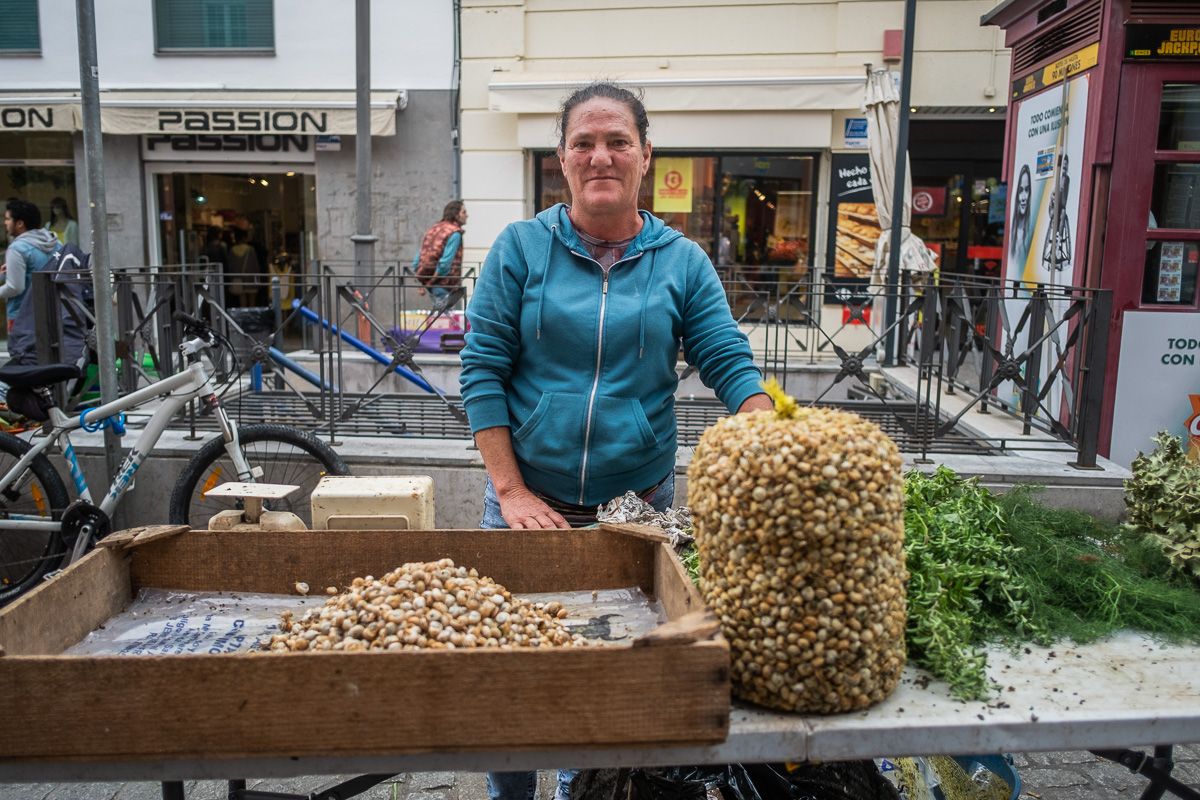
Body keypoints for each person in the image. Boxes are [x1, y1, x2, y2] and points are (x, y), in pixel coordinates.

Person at [458, 82, 772, 800]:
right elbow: (481, 370)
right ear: (562, 160)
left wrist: (767, 422)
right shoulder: (521, 249)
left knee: (607, 681)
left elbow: (725, 356)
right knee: (510, 678)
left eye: (617, 141)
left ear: (645, 156)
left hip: (636, 510)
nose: (600, 156)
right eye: (583, 143)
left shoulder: (681, 261)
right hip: (522, 504)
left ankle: (584, 790)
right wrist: (509, 489)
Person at [2, 199, 62, 365]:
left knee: (23, 363)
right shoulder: (55, 243)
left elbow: (15, 287)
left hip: (22, 316)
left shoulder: (17, 248)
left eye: (7, 219)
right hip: (52, 313)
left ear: (20, 223)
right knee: (51, 361)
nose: (5, 223)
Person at [413, 200, 467, 307]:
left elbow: (417, 260)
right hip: (444, 285)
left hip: (432, 284)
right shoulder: (455, 233)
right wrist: (431, 282)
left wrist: (424, 282)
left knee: (439, 318)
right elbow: (445, 264)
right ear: (456, 214)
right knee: (446, 320)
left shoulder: (433, 229)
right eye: (464, 212)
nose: (467, 215)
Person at [228, 227, 260, 306]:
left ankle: (244, 316)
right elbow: (255, 265)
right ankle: (252, 316)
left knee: (242, 298)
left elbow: (231, 265)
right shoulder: (250, 249)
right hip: (250, 278)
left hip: (239, 278)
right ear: (244, 238)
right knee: (252, 300)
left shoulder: (232, 250)